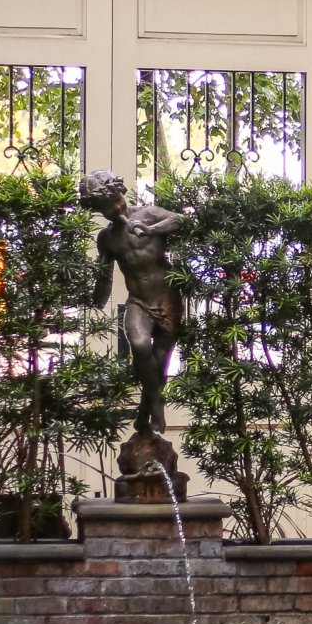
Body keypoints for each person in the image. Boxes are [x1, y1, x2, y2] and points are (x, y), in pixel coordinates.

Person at [76, 169, 187, 437]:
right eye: (106, 209)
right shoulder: (107, 238)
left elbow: (182, 221)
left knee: (160, 360)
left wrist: (151, 229)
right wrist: (96, 299)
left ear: (121, 194)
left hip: (167, 298)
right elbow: (105, 275)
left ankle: (144, 413)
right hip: (137, 301)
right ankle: (156, 402)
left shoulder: (148, 214)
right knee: (138, 345)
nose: (115, 210)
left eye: (116, 202)